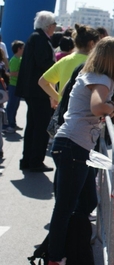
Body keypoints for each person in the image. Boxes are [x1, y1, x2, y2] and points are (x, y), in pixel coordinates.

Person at [47, 37, 114, 265]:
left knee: (86, 200)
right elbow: (97, 107)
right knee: (65, 207)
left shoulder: (96, 76)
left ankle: (72, 245)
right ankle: (55, 257)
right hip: (73, 146)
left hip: (74, 145)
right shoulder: (100, 79)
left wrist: (112, 105)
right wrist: (111, 106)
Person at [15, 10, 57, 172]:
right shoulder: (40, 39)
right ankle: (35, 161)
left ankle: (28, 159)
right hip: (38, 90)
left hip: (33, 90)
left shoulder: (36, 37)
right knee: (40, 127)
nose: (55, 28)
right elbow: (43, 63)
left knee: (33, 125)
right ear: (48, 26)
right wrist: (56, 69)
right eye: (54, 25)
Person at [38, 24, 100, 106]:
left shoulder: (65, 60)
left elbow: (42, 82)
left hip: (64, 110)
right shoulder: (95, 63)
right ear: (92, 43)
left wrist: (59, 99)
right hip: (84, 111)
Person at [4, 40, 24, 134]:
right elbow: (12, 73)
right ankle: (8, 124)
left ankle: (13, 123)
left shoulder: (20, 59)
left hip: (18, 85)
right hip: (13, 85)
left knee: (16, 105)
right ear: (19, 49)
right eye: (23, 48)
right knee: (11, 105)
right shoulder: (15, 60)